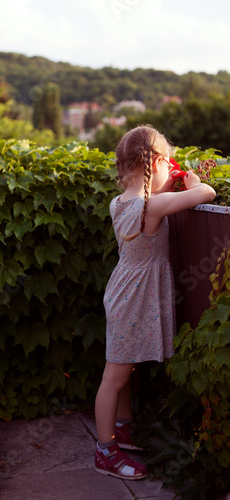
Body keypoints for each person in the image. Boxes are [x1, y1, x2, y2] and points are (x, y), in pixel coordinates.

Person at [94, 124, 216, 480]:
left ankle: (123, 427)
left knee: (124, 367)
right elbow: (206, 193)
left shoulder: (119, 202)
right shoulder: (155, 205)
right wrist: (192, 180)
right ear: (161, 160)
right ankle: (105, 452)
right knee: (114, 376)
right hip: (135, 296)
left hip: (124, 289)